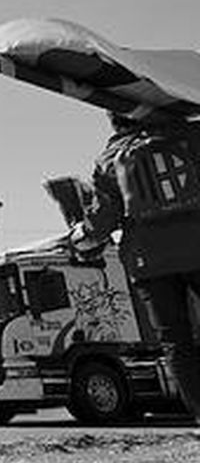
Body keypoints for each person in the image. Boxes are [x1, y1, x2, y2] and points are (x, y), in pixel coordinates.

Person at [72, 110, 200, 420]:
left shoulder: (110, 158)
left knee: (176, 340)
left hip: (149, 261)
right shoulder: (192, 136)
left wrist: (80, 233)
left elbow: (102, 220)